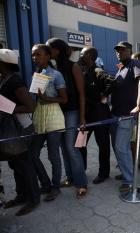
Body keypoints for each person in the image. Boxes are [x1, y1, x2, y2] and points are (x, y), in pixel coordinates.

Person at [46, 38, 88, 198]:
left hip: (72, 111)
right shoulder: (50, 68)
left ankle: (81, 183)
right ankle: (70, 178)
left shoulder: (73, 66)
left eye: (50, 49)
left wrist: (82, 117)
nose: (48, 52)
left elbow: (81, 93)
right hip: (57, 112)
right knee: (64, 147)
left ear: (58, 50)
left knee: (71, 148)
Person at [0, 49, 40, 216]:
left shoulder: (15, 81)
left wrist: (7, 108)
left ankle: (33, 199)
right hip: (10, 128)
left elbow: (31, 106)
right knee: (14, 163)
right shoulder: (4, 79)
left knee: (24, 163)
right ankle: (21, 195)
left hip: (22, 128)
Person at [107, 41, 140, 192]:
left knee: (121, 147)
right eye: (117, 50)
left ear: (129, 51)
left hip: (126, 115)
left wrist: (138, 105)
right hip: (115, 114)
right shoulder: (121, 68)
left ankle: (129, 180)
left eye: (122, 50)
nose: (118, 52)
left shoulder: (134, 63)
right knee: (119, 148)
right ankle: (126, 173)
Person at [31, 44, 67, 201]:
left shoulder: (56, 74)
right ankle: (45, 184)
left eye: (38, 54)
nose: (35, 58)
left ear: (47, 56)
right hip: (39, 115)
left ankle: (56, 187)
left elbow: (64, 99)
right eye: (33, 55)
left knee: (53, 155)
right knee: (32, 154)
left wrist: (46, 98)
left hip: (54, 116)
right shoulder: (37, 73)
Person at [78, 47, 111, 184]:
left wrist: (104, 95)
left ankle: (103, 173)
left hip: (100, 115)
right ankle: (81, 169)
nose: (80, 56)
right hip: (86, 115)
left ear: (90, 55)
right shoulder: (83, 71)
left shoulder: (98, 71)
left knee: (103, 145)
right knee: (80, 143)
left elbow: (112, 81)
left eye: (82, 54)